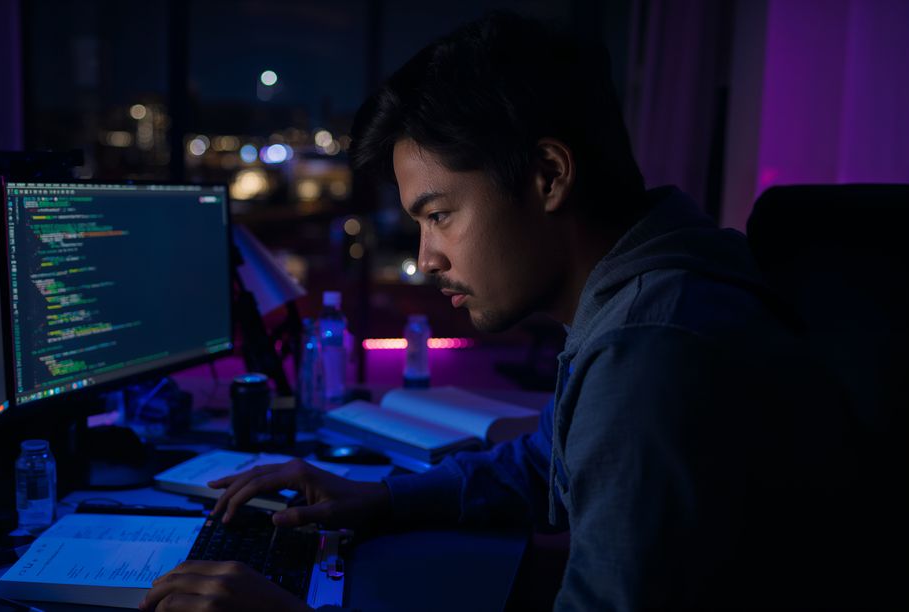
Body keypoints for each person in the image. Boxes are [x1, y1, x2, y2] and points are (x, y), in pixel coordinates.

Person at [141, 12, 851, 612]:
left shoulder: (651, 352)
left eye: (440, 214)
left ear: (548, 176)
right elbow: (541, 463)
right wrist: (377, 499)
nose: (425, 259)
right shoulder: (645, 297)